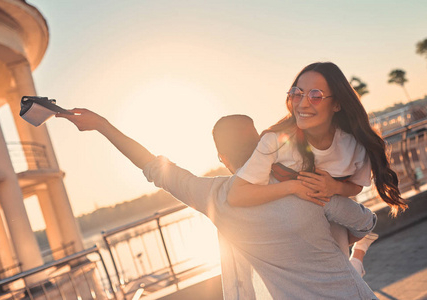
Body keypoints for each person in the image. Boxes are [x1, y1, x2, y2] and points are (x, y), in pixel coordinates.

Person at [56, 110, 378, 299]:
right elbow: (365, 224)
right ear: (263, 145)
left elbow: (153, 166)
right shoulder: (306, 183)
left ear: (222, 159)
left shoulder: (217, 198)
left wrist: (102, 125)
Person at [228, 61, 407, 276]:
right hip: (294, 232)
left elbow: (356, 186)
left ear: (337, 104)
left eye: (315, 96)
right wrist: (293, 187)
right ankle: (358, 256)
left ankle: (358, 253)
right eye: (297, 94)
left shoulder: (354, 146)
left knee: (345, 271)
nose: (302, 104)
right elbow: (236, 195)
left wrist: (333, 187)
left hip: (334, 225)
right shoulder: (275, 142)